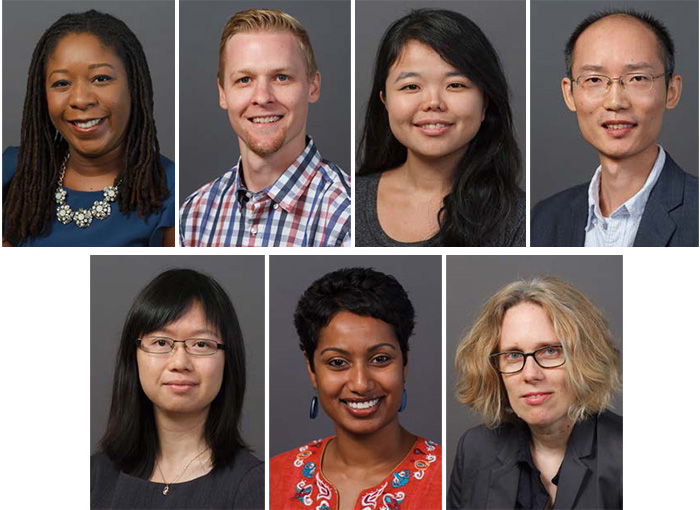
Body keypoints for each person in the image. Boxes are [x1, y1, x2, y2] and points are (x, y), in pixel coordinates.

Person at [269, 268, 442, 509]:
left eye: (380, 359)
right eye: (337, 363)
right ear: (311, 370)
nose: (361, 384)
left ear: (404, 362)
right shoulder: (273, 479)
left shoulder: (448, 478)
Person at [91, 269, 264, 509]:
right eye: (161, 342)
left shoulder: (254, 486)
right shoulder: (94, 477)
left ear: (228, 359)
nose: (179, 363)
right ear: (134, 356)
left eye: (201, 344)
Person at [2, 10, 175, 247]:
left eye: (101, 78)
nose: (81, 100)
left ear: (133, 85)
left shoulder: (170, 191)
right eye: (61, 83)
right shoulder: (15, 172)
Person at [180, 9, 351, 247]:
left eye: (281, 77)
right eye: (244, 80)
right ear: (222, 93)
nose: (262, 97)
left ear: (313, 86)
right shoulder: (192, 217)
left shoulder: (348, 218)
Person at [449, 276, 622, 509]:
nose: (530, 374)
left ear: (584, 357)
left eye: (549, 351)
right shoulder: (475, 450)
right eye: (512, 355)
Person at [356, 9, 524, 247]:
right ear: (385, 101)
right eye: (411, 86)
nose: (433, 102)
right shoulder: (347, 201)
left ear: (485, 101)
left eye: (455, 85)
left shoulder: (520, 221)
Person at [531, 9, 698, 247]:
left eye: (638, 78)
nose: (615, 102)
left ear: (671, 91)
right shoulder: (544, 219)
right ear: (569, 94)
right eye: (594, 80)